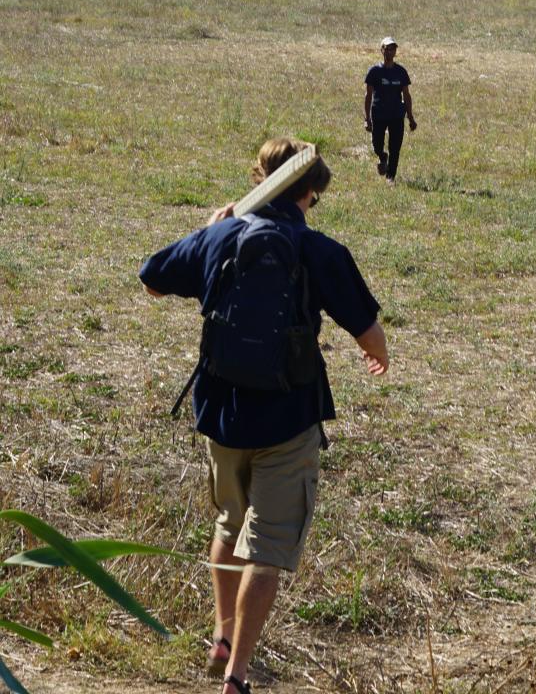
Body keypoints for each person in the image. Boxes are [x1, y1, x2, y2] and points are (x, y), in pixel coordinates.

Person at [139, 138, 389, 694]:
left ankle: (222, 635)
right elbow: (370, 335)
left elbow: (152, 276)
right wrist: (379, 353)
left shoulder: (224, 234)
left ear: (260, 178)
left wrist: (207, 229)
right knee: (269, 549)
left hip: (222, 415)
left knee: (229, 526)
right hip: (288, 418)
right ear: (310, 192)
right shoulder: (319, 250)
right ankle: (237, 675)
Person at [364, 37, 416, 185]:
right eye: (387, 48)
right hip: (378, 114)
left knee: (395, 148)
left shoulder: (401, 72)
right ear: (382, 50)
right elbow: (368, 95)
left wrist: (410, 117)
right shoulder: (374, 72)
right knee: (376, 145)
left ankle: (390, 177)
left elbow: (406, 95)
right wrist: (367, 118)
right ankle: (382, 156)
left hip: (396, 115)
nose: (390, 51)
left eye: (393, 48)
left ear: (395, 51)